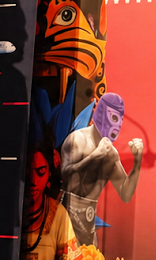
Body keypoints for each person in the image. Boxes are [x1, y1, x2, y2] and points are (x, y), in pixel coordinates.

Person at [58, 93, 143, 245]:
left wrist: (137, 162)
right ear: (102, 114)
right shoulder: (77, 139)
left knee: (91, 259)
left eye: (120, 120)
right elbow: (65, 176)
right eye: (114, 118)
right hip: (65, 223)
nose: (117, 126)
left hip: (88, 231)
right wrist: (94, 156)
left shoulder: (111, 155)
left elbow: (126, 194)